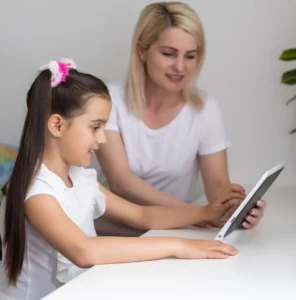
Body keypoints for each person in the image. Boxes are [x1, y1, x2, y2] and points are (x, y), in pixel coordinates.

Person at [0, 59, 241, 300]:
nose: (102, 139)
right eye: (95, 127)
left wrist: (207, 213)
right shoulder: (38, 192)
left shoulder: (80, 178)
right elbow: (84, 251)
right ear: (57, 125)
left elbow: (141, 215)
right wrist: (180, 246)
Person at [95, 1, 266, 236]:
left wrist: (235, 208)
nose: (180, 67)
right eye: (168, 53)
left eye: (190, 56)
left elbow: (218, 186)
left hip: (174, 234)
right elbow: (120, 180)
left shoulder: (205, 110)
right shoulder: (108, 100)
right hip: (113, 234)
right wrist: (198, 214)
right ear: (141, 50)